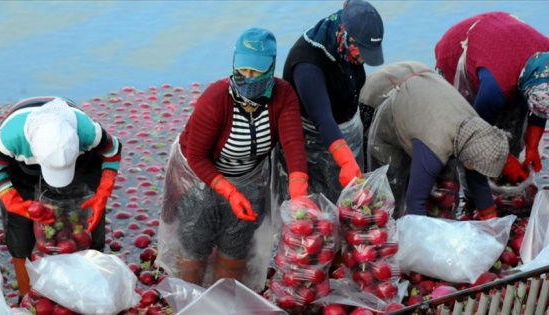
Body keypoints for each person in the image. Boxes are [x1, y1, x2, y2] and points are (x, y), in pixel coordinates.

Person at [157, 28, 309, 287]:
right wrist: (228, 192)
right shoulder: (216, 98)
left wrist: (299, 194)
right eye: (243, 70)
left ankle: (223, 301)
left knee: (237, 244)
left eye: (256, 71)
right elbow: (196, 156)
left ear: (271, 67)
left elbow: (293, 143)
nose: (248, 78)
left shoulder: (284, 95)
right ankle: (190, 299)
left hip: (249, 179)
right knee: (195, 244)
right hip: (198, 181)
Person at [0, 96, 122, 300]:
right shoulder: (9, 139)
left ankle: (91, 293)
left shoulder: (86, 131)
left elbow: (113, 151)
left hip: (82, 161)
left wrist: (103, 192)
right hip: (23, 167)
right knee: (20, 231)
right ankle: (28, 298)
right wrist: (11, 200)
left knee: (88, 225)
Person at [359, 61, 510, 220]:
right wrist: (425, 238)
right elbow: (415, 201)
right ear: (469, 161)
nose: (475, 170)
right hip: (382, 91)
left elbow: (477, 178)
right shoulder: (435, 144)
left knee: (430, 178)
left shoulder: (476, 131)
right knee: (389, 192)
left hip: (420, 93)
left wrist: (490, 221)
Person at [273, 0, 384, 206]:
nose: (364, 61)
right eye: (362, 54)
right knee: (321, 211)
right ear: (346, 36)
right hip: (314, 142)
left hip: (347, 130)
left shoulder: (346, 38)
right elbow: (323, 119)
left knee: (351, 207)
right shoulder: (308, 65)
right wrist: (345, 160)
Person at [435, 12, 549, 188]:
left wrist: (532, 146)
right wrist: (505, 160)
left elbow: (541, 106)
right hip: (460, 47)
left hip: (505, 42)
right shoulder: (494, 88)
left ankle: (499, 182)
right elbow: (473, 136)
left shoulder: (544, 63)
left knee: (513, 127)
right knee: (462, 141)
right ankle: (472, 196)